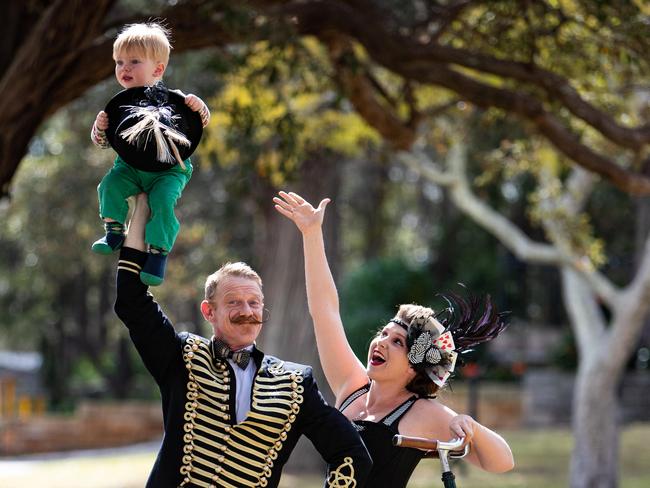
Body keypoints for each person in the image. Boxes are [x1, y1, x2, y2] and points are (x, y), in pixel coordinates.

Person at [113, 193, 371, 488]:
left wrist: (312, 234)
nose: (247, 311)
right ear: (209, 311)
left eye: (254, 303)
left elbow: (352, 455)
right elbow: (132, 301)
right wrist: (143, 210)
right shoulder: (182, 356)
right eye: (234, 302)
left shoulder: (297, 383)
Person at [274, 191, 515, 487]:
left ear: (414, 366)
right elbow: (325, 312)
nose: (382, 342)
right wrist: (312, 233)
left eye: (398, 342)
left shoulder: (422, 412)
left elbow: (503, 461)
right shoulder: (352, 388)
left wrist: (472, 428)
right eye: (384, 333)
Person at [91, 22, 210, 286]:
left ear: (157, 69)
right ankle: (113, 229)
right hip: (130, 167)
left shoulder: (173, 100)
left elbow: (198, 124)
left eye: (134, 61)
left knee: (162, 202)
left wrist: (199, 106)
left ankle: (158, 252)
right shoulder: (119, 106)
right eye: (119, 62)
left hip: (168, 169)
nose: (125, 68)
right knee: (109, 185)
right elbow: (103, 142)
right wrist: (100, 128)